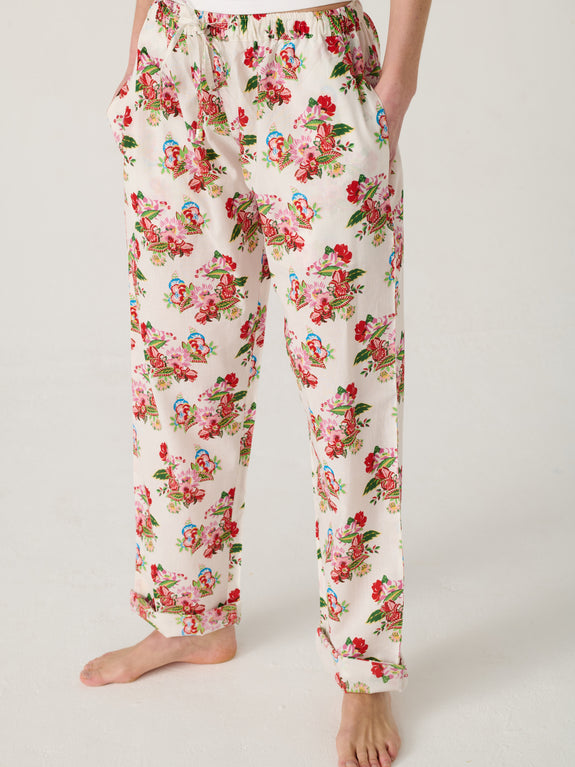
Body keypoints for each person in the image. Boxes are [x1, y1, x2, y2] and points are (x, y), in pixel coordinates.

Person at [81, 0, 431, 764]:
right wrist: (139, 51)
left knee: (347, 386)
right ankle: (190, 613)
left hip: (312, 56)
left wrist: (396, 84)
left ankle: (363, 662)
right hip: (177, 56)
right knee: (180, 365)